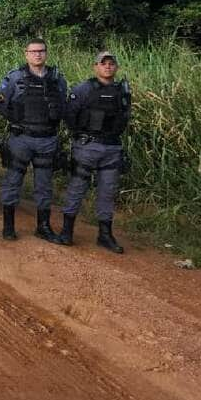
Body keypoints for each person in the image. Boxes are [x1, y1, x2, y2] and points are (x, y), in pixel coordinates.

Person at [0, 38, 67, 242]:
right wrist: (17, 121)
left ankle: (43, 226)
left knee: (44, 185)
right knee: (13, 181)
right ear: (26, 54)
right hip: (21, 138)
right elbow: (0, 105)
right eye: (33, 51)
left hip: (47, 138)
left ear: (46, 53)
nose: (37, 55)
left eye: (41, 51)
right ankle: (8, 227)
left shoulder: (57, 78)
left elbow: (62, 105)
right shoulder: (14, 77)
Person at [58, 51, 131, 253]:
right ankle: (67, 231)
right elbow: (69, 115)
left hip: (112, 147)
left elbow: (125, 117)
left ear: (116, 67)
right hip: (87, 146)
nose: (107, 67)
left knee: (107, 192)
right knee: (77, 188)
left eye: (111, 63)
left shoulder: (121, 91)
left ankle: (105, 235)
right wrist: (81, 135)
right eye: (103, 63)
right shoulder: (83, 89)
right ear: (95, 66)